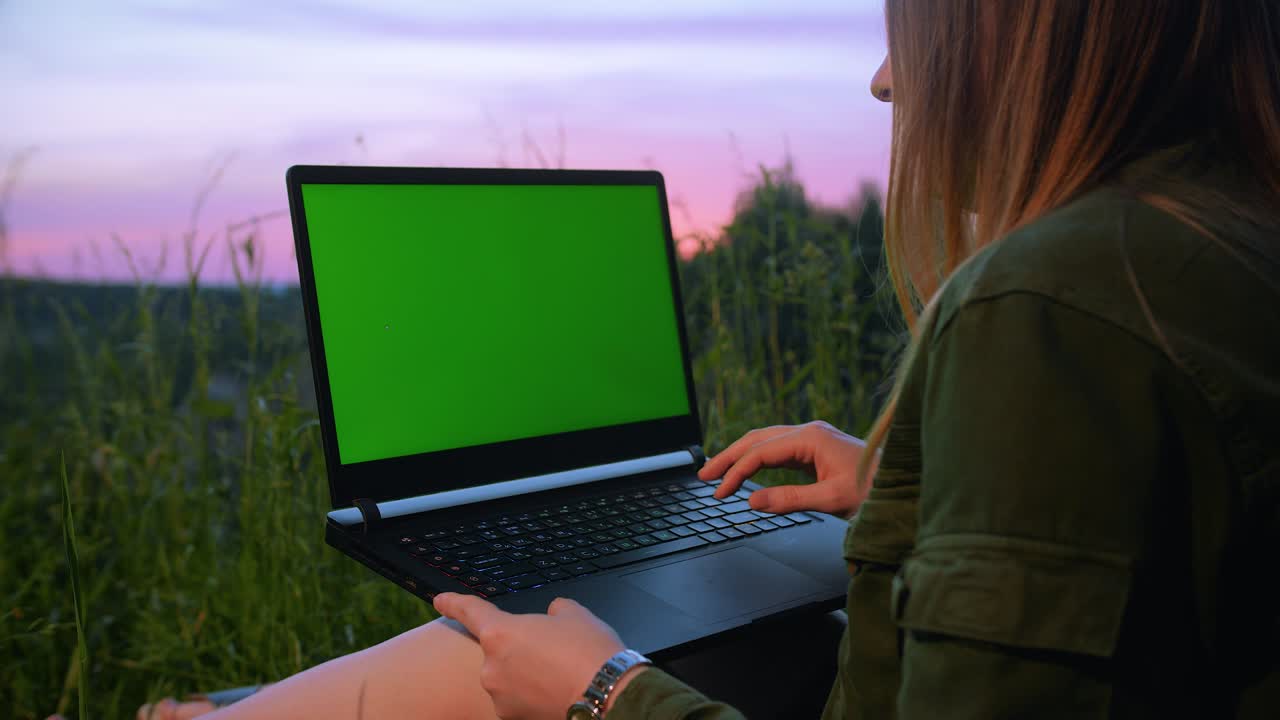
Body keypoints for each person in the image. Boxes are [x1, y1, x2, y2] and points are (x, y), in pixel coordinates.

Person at [119, 1, 1279, 718]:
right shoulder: (1222, 240)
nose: (885, 78)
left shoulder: (1050, 301)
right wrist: (910, 493)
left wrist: (604, 697)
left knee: (505, 653)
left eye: (905, 23)